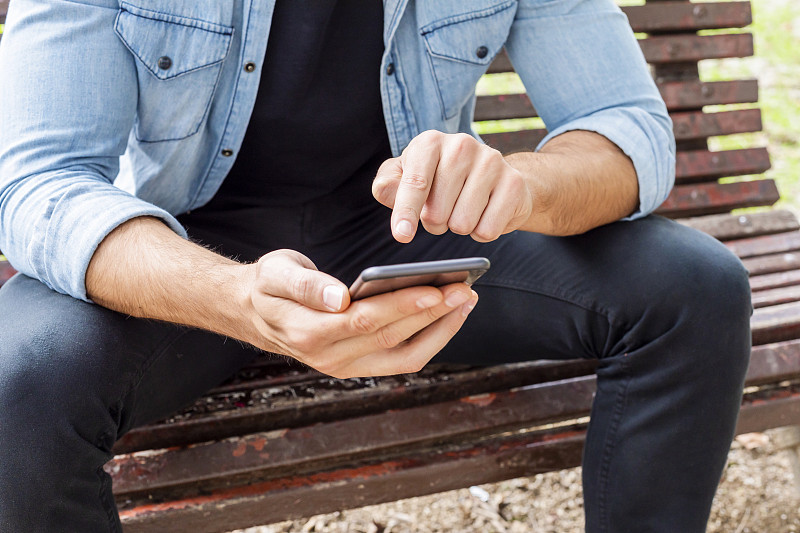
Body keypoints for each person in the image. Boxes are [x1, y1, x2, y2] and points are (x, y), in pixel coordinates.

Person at [0, 0, 752, 531]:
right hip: (188, 250)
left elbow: (627, 125)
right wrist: (235, 296)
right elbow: (40, 180)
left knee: (696, 289)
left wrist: (519, 184)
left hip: (409, 229)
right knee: (14, 387)